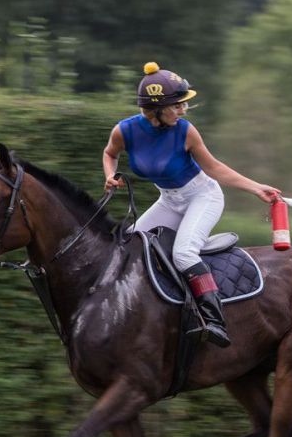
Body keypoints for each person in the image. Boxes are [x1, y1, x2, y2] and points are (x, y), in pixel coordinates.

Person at [102, 61, 280, 348]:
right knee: (127, 244)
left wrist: (256, 188)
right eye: (177, 106)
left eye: (183, 105)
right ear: (156, 110)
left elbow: (215, 169)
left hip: (203, 197)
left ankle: (214, 320)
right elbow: (110, 154)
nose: (183, 110)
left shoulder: (185, 131)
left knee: (185, 254)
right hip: (170, 200)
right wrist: (110, 175)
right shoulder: (125, 131)